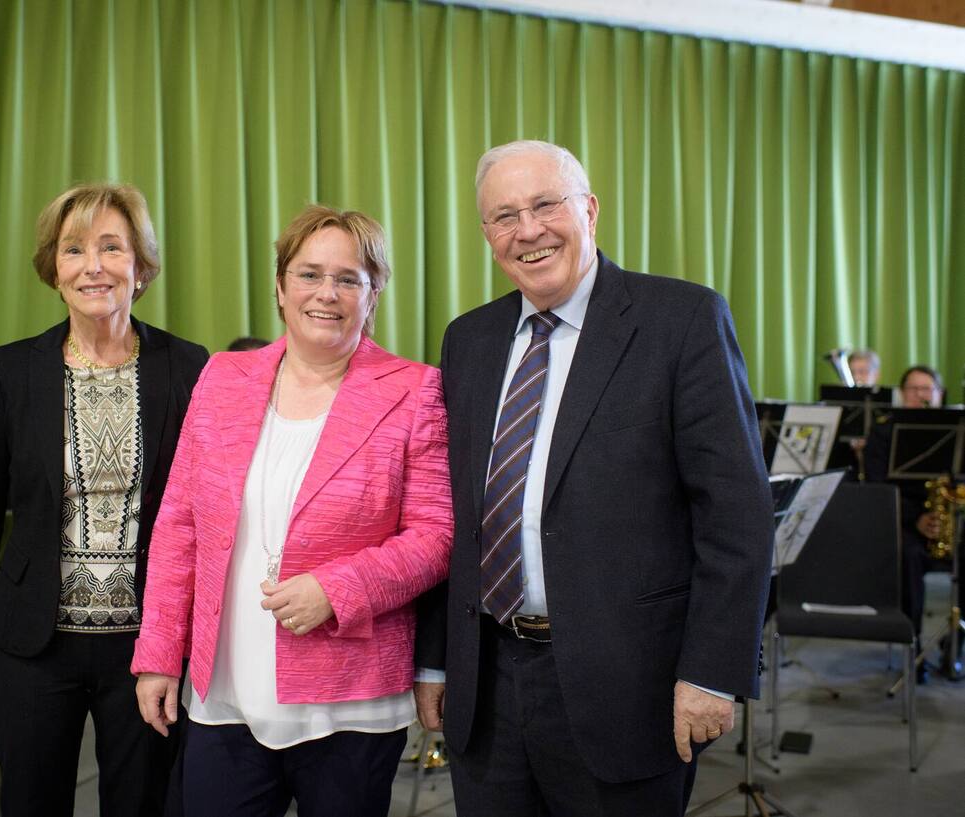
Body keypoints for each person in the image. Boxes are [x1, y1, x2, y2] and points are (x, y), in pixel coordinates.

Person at [413, 140, 773, 816]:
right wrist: (435, 660)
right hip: (485, 684)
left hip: (628, 687)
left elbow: (735, 516)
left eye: (545, 204)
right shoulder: (468, 339)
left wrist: (710, 672)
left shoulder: (681, 320)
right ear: (485, 233)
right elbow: (454, 515)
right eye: (503, 215)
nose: (527, 230)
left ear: (589, 209)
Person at [132, 205, 453, 817]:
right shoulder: (222, 377)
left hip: (348, 698)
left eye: (348, 278)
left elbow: (436, 534)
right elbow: (179, 524)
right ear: (280, 288)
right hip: (224, 688)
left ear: (374, 292)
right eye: (309, 275)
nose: (326, 294)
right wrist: (157, 656)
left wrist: (338, 588)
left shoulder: (415, 390)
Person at [0, 183, 208, 817]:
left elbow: (201, 513)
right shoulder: (13, 369)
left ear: (140, 268)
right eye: (74, 250)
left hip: (147, 647)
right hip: (32, 645)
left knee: (142, 805)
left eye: (111, 247)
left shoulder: (189, 365)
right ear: (54, 269)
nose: (93, 265)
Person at [864, 365, 954, 680]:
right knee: (908, 555)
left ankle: (955, 641)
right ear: (903, 394)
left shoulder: (955, 431)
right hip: (903, 521)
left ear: (940, 395)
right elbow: (877, 489)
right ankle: (912, 647)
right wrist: (917, 519)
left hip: (949, 519)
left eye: (927, 389)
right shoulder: (884, 431)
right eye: (914, 389)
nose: (920, 395)